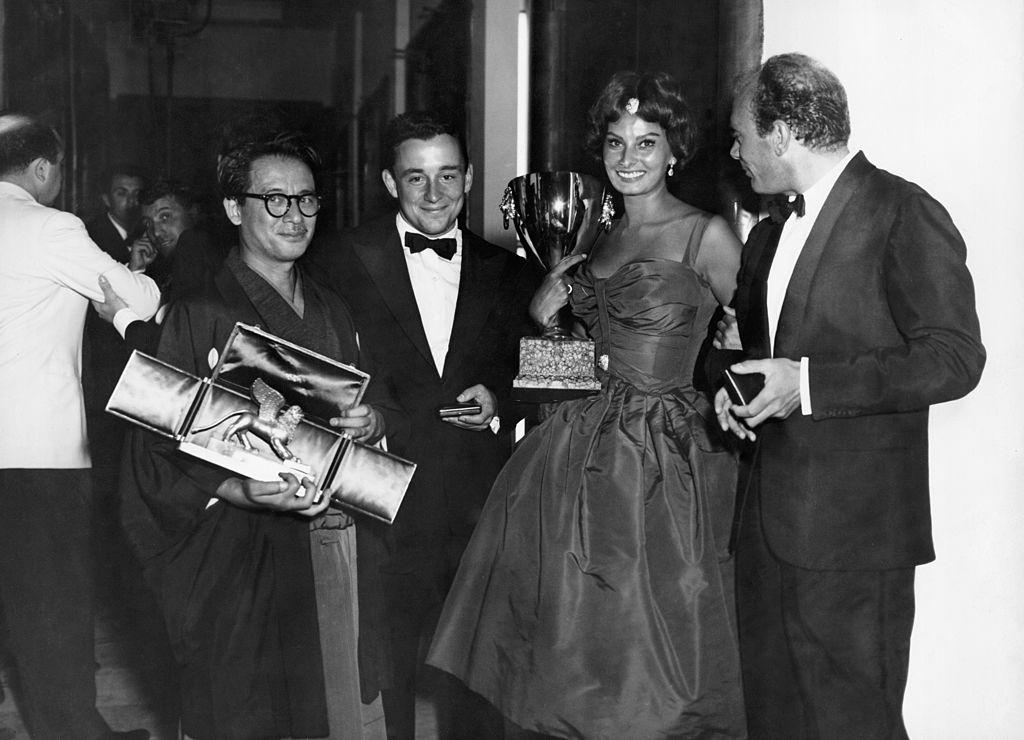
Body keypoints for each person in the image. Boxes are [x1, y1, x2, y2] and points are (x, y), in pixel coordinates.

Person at [426, 71, 746, 737]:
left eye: (647, 143)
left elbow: (758, 339)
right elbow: (575, 368)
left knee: (653, 661)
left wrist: (734, 343)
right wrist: (544, 321)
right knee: (571, 656)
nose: (629, 160)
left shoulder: (706, 234)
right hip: (574, 454)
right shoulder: (590, 241)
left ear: (674, 152)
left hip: (663, 464)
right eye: (615, 144)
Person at [716, 53, 985, 738]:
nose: (735, 151)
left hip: (858, 544)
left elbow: (954, 357)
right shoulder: (768, 233)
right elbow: (762, 356)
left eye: (742, 134)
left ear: (780, 134)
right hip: (763, 536)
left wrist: (804, 385)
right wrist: (735, 392)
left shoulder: (903, 211)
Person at [118, 128, 399, 739]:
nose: (293, 215)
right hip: (236, 555)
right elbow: (152, 457)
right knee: (248, 713)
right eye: (274, 199)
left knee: (332, 702)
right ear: (232, 208)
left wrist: (373, 423)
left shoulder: (333, 307)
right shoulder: (197, 311)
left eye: (306, 200)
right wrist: (238, 491)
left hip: (330, 545)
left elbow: (372, 407)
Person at [304, 111, 537, 740]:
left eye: (448, 176)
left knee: (477, 664)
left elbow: (544, 367)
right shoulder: (338, 260)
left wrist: (502, 400)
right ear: (388, 182)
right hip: (380, 488)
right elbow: (316, 362)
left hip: (477, 494)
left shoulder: (512, 270)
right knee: (387, 663)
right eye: (416, 178)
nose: (434, 194)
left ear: (467, 180)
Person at [0, 113, 159, 739]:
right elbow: (140, 302)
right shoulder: (49, 226)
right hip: (38, 457)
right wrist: (137, 277)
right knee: (55, 616)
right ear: (42, 168)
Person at [85, 162, 146, 260]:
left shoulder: (150, 231)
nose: (131, 201)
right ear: (106, 199)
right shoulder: (91, 237)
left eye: (137, 194)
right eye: (122, 193)